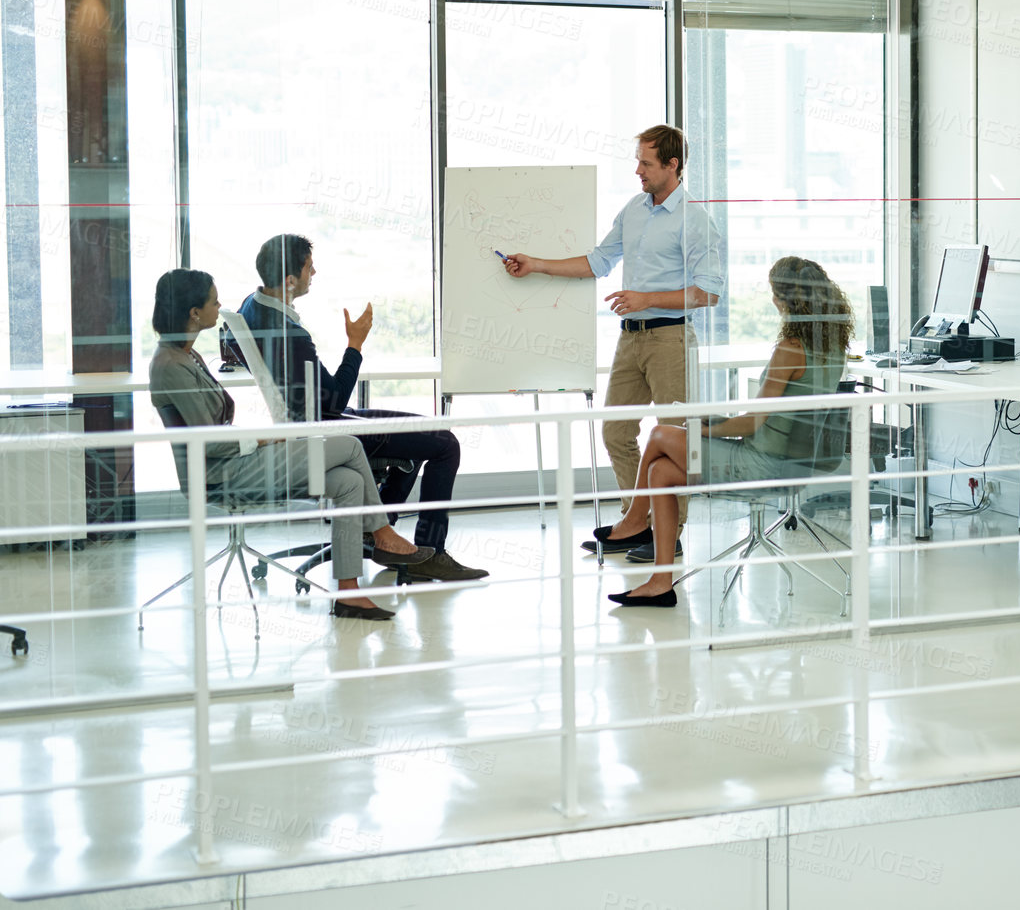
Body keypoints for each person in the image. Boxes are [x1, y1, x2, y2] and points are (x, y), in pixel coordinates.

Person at [148, 269, 433, 621]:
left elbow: (216, 428)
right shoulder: (170, 365)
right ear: (194, 313)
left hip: (235, 459)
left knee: (350, 483)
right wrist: (268, 436)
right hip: (220, 473)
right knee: (349, 445)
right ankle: (383, 532)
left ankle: (348, 593)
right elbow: (209, 443)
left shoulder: (187, 355)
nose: (219, 306)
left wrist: (264, 437)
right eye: (213, 301)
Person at [503, 124, 724, 562]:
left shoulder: (696, 220)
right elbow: (599, 261)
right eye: (637, 161)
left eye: (645, 162)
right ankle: (634, 520)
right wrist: (536, 265)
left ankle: (670, 536)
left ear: (672, 165)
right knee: (616, 430)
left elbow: (708, 292)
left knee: (674, 438)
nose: (637, 170)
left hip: (671, 337)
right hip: (632, 340)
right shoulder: (634, 210)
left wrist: (646, 298)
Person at [220, 234, 486, 584]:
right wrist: (355, 344)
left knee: (425, 434)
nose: (314, 271)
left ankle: (375, 532)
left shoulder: (252, 305)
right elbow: (337, 398)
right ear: (289, 280)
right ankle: (430, 553)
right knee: (445, 445)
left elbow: (229, 340)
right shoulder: (289, 334)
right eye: (307, 267)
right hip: (327, 427)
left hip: (313, 418)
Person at [600, 257, 852, 608]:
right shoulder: (833, 348)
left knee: (660, 435)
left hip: (763, 464)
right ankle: (660, 582)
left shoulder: (790, 350)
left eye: (774, 294)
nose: (772, 301)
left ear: (786, 301)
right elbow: (772, 419)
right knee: (660, 471)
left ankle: (633, 523)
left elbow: (752, 423)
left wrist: (704, 427)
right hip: (792, 461)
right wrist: (706, 422)